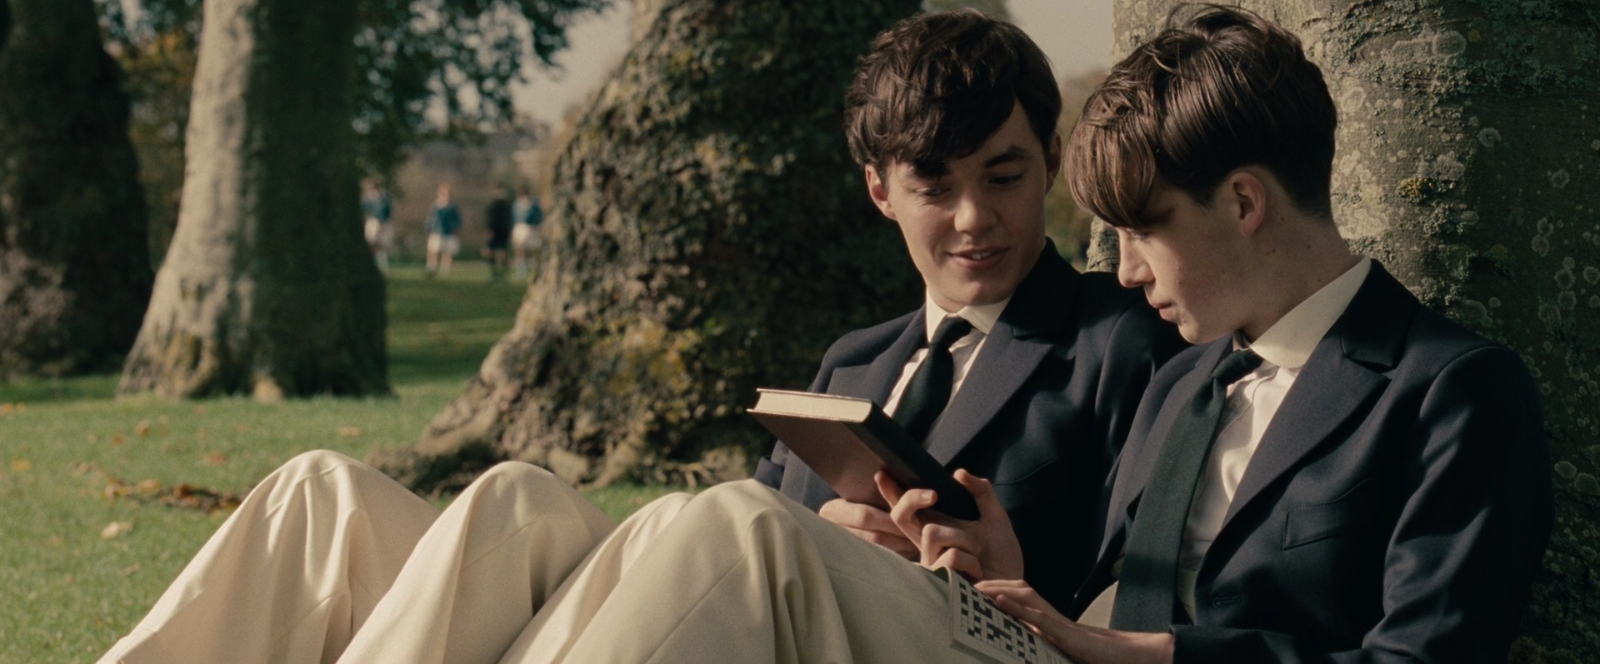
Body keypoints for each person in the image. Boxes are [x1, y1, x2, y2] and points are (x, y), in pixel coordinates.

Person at [98, 10, 1182, 663]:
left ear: (1049, 161)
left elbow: (1138, 594)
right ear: (878, 192)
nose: (973, 219)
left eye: (1003, 176)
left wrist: (1010, 567)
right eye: (932, 187)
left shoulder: (1117, 340)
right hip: (775, 621)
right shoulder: (852, 363)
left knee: (732, 524)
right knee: (353, 496)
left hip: (982, 639)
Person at [963, 6, 1554, 663]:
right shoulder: (1180, 382)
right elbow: (1106, 615)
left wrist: (1165, 658)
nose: (1124, 272)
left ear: (1244, 202)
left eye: (1144, 229)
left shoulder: (1455, 393)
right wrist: (1005, 577)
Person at [425, 183, 463, 277]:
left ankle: (445, 270)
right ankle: (432, 268)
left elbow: (458, 219)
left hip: (449, 233)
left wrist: (456, 229)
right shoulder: (435, 206)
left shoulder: (453, 207)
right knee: (433, 251)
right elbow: (430, 219)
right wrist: (428, 231)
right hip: (436, 232)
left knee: (447, 252)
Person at [360, 178, 393, 274]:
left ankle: (383, 266)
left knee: (379, 245)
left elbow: (386, 211)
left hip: (380, 222)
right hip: (372, 221)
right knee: (372, 244)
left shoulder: (381, 198)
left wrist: (382, 223)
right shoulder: (369, 199)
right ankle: (372, 265)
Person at [511, 187, 544, 278]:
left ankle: (534, 268)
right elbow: (514, 217)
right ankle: (522, 270)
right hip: (521, 228)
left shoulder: (534, 204)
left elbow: (539, 216)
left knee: (533, 249)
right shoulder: (517, 204)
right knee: (520, 250)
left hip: (531, 228)